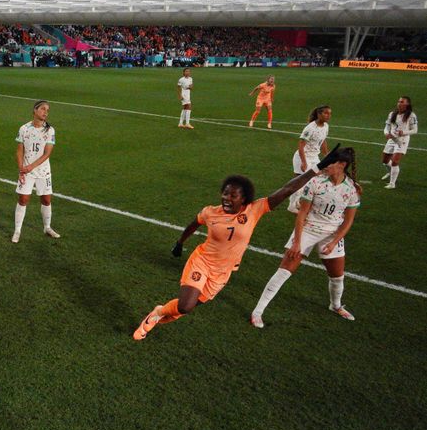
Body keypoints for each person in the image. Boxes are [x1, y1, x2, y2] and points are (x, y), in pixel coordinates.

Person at [132, 145, 344, 341]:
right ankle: (157, 314)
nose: (226, 198)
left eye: (233, 195)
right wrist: (180, 242)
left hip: (222, 273)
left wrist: (318, 167)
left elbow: (287, 190)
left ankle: (159, 313)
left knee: (183, 308)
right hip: (202, 262)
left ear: (244, 199)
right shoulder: (210, 212)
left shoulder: (254, 210)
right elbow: (193, 224)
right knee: (186, 306)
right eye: (225, 193)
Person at [251, 148, 361, 328]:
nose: (325, 166)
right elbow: (302, 214)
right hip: (308, 229)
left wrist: (334, 241)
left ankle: (336, 306)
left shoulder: (352, 190)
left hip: (332, 234)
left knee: (337, 277)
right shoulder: (315, 183)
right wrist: (297, 242)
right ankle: (258, 312)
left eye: (330, 163)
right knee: (284, 271)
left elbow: (347, 222)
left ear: (342, 165)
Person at [12, 100, 60, 243]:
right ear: (35, 110)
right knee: (23, 199)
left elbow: (47, 154)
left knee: (46, 200)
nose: (46, 112)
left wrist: (30, 167)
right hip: (26, 171)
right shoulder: (24, 129)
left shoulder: (50, 130)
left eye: (47, 110)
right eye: (43, 109)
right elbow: (20, 150)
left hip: (43, 171)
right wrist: (22, 169)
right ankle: (17, 231)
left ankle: (47, 227)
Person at [288, 105, 331, 213]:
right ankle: (292, 205)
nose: (328, 116)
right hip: (303, 157)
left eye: (330, 113)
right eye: (326, 113)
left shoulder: (326, 126)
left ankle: (298, 201)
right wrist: (303, 162)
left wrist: (327, 155)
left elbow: (323, 141)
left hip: (314, 157)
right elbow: (301, 145)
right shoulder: (310, 128)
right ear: (319, 114)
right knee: (300, 182)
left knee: (316, 180)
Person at [381, 96, 418, 189]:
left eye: (402, 102)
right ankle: (391, 172)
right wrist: (386, 133)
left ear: (407, 104)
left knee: (395, 161)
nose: (399, 103)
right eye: (399, 101)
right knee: (385, 161)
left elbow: (415, 130)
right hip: (392, 139)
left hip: (402, 140)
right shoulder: (392, 114)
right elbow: (387, 126)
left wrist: (404, 132)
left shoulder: (411, 115)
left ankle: (392, 184)